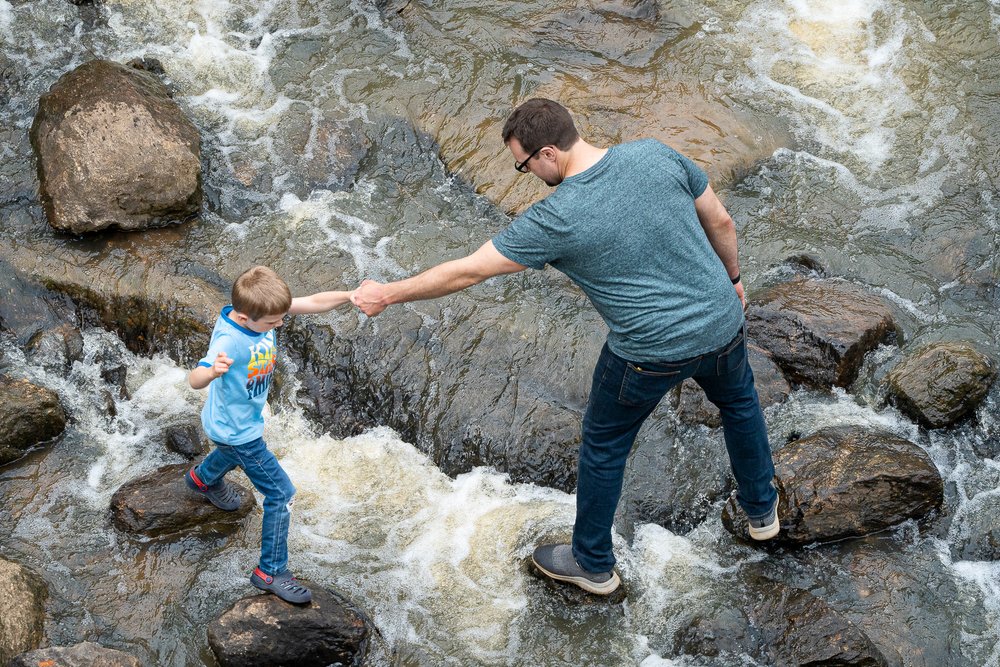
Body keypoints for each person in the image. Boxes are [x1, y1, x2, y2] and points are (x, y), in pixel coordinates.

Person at [351, 98, 779, 596]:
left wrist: (389, 292)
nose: (527, 172)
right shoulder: (654, 153)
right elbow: (721, 222)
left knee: (604, 447)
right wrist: (733, 279)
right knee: (740, 404)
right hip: (722, 325)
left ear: (548, 153)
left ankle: (592, 563)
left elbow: (467, 270)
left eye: (525, 163)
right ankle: (762, 513)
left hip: (647, 352)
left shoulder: (555, 218)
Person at [185, 265, 354, 604]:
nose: (280, 325)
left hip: (229, 425)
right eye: (273, 323)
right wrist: (211, 372)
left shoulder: (263, 310)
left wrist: (349, 296)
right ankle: (270, 570)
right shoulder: (230, 340)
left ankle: (202, 479)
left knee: (232, 453)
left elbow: (314, 301)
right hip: (238, 431)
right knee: (281, 493)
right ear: (246, 318)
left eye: (281, 318)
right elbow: (194, 378)